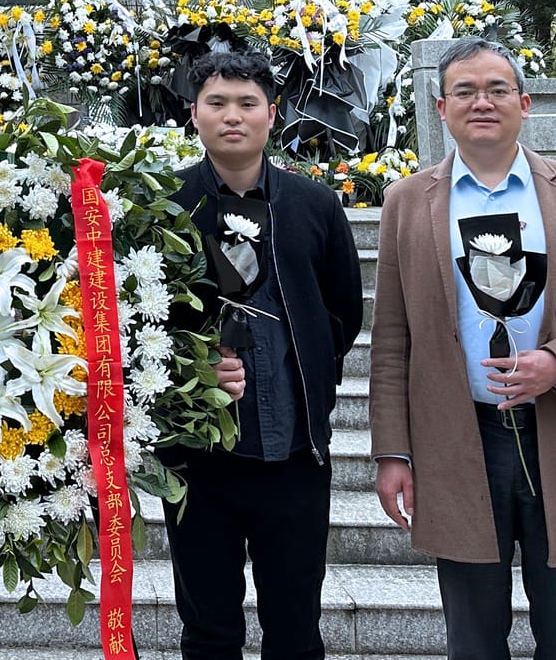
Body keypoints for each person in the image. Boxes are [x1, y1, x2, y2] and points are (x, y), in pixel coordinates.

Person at [369, 37, 556, 660]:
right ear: (441, 109)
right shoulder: (408, 202)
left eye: (497, 89)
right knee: (472, 637)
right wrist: (392, 449)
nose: (482, 102)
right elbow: (392, 338)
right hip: (461, 436)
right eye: (465, 92)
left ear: (524, 104)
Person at [163, 49, 363, 660]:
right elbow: (136, 319)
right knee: (208, 630)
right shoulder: (167, 206)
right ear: (193, 114)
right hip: (200, 462)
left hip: (294, 456)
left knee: (296, 627)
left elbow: (343, 314)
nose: (232, 116)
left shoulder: (314, 206)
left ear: (272, 115)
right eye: (216, 103)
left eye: (247, 104)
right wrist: (193, 370)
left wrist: (297, 365)